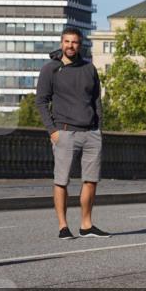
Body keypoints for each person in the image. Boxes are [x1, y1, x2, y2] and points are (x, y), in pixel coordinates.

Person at [35, 27, 109, 239]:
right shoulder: (51, 69)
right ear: (61, 43)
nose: (70, 46)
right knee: (61, 180)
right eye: (67, 42)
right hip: (65, 132)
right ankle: (63, 226)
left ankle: (86, 225)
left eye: (74, 42)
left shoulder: (89, 69)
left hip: (91, 133)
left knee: (91, 180)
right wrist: (52, 131)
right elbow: (41, 101)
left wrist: (98, 128)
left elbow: (96, 101)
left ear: (80, 45)